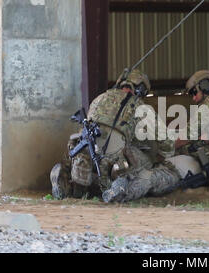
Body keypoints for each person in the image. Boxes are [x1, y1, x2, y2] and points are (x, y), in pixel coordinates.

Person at [50, 69, 184, 202]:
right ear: (141, 90)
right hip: (114, 161)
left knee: (79, 155)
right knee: (157, 171)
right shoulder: (139, 106)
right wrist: (159, 157)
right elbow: (167, 144)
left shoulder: (99, 99)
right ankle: (121, 190)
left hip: (85, 154)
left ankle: (65, 183)